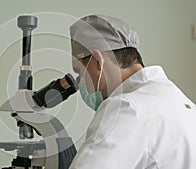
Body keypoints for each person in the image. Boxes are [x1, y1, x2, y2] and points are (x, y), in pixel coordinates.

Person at [69, 15, 196, 169]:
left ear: (97, 61)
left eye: (79, 71)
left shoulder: (127, 108)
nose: (82, 83)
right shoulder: (182, 102)